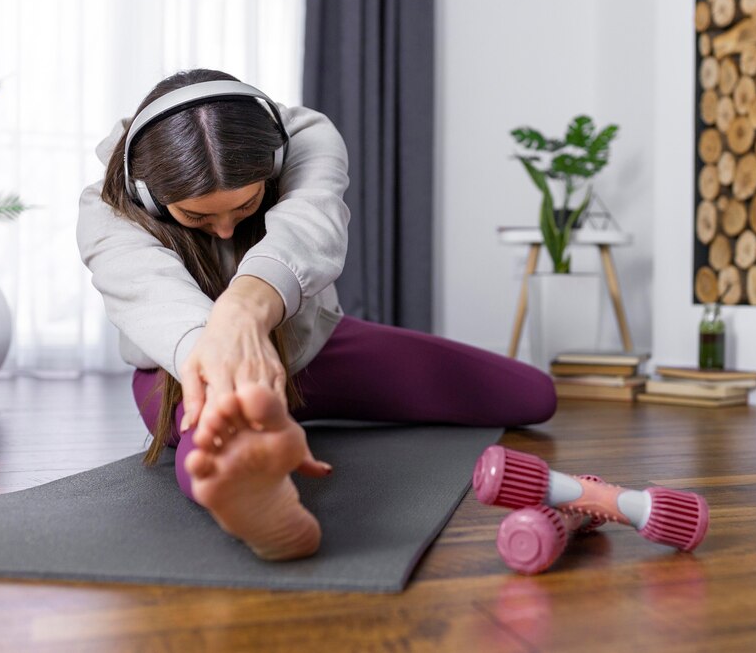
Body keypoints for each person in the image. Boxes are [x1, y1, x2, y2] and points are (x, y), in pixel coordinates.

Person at [77, 69, 556, 561]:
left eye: (244, 205)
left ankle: (275, 425)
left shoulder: (305, 139)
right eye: (197, 216)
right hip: (190, 373)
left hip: (315, 352)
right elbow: (151, 292)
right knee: (217, 448)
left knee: (534, 396)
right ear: (151, 196)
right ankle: (258, 498)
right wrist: (224, 354)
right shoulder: (107, 206)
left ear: (274, 164)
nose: (223, 231)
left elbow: (312, 227)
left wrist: (242, 311)